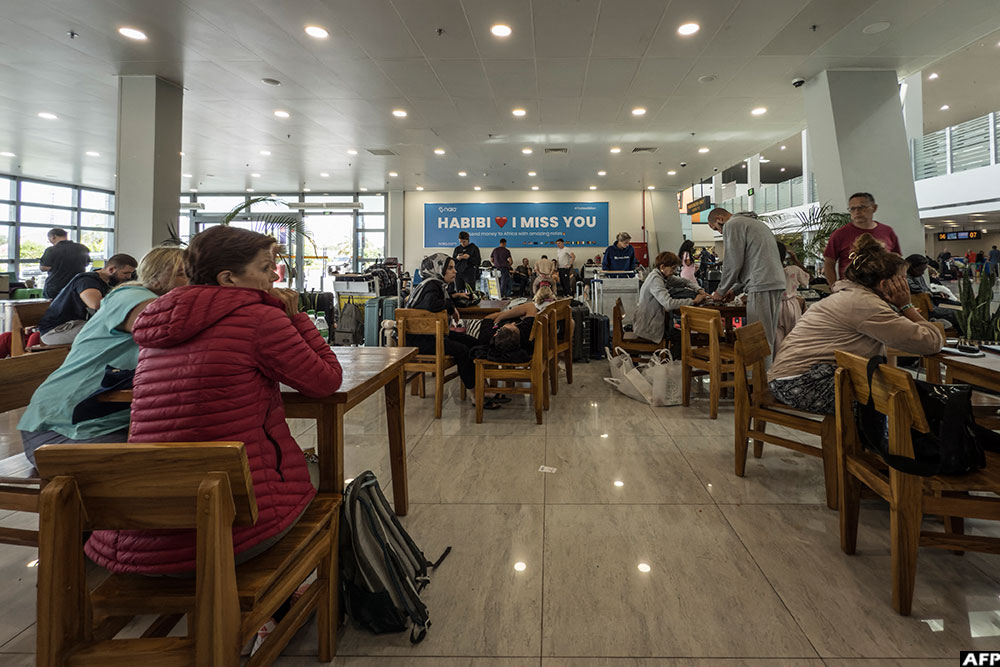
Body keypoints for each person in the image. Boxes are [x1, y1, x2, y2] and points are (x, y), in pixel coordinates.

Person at [84, 225, 344, 575]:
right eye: (266, 269)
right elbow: (326, 381)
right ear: (228, 278)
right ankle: (287, 601)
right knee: (328, 481)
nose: (275, 277)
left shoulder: (158, 322)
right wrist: (296, 317)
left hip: (137, 534)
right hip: (228, 529)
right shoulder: (260, 317)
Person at [18, 247, 187, 465]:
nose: (194, 281)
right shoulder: (131, 296)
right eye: (183, 274)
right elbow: (165, 328)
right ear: (155, 277)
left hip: (109, 423)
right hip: (62, 428)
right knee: (172, 472)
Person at [768, 234, 943, 414]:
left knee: (894, 391)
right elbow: (931, 342)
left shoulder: (852, 295)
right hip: (800, 383)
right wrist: (907, 306)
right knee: (901, 402)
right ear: (885, 284)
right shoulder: (866, 304)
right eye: (902, 279)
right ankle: (881, 441)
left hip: (790, 378)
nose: (905, 285)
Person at [405, 253, 496, 408]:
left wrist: (453, 299)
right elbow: (431, 304)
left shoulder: (431, 283)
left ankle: (482, 385)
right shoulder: (433, 285)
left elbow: (436, 300)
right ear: (439, 269)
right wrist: (450, 306)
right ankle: (475, 392)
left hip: (427, 336)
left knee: (471, 341)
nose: (455, 272)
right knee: (463, 350)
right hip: (422, 341)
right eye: (450, 268)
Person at [707, 208, 786, 354]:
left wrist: (720, 291)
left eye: (716, 228)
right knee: (767, 335)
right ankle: (767, 374)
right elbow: (751, 262)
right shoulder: (753, 223)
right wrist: (734, 290)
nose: (719, 232)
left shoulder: (733, 224)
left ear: (719, 219)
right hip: (774, 282)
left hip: (761, 284)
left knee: (758, 338)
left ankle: (758, 376)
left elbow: (733, 263)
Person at [37, 253, 138, 345]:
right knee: (113, 333)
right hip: (56, 330)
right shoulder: (87, 280)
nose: (129, 277)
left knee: (123, 331)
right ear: (111, 270)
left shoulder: (106, 283)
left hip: (77, 325)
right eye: (125, 273)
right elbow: (95, 304)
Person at [822, 193, 901, 286]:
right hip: (852, 289)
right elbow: (829, 264)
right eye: (852, 209)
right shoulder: (840, 234)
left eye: (862, 207)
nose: (857, 212)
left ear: (874, 208)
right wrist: (834, 287)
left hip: (883, 288)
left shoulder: (887, 231)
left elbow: (897, 260)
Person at [633, 251, 707, 345]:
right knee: (685, 339)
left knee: (684, 336)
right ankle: (670, 357)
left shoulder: (662, 276)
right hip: (648, 327)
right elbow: (669, 304)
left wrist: (699, 289)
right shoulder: (656, 280)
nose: (675, 271)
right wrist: (693, 301)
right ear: (662, 267)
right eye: (673, 268)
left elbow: (685, 282)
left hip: (651, 322)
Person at [906, 253, 961, 331]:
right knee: (958, 315)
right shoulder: (906, 278)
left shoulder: (918, 276)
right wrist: (931, 293)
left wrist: (936, 293)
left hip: (933, 303)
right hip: (927, 309)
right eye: (920, 270)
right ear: (911, 268)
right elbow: (918, 291)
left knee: (960, 306)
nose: (922, 273)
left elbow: (926, 290)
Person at [775, 242, 810, 353]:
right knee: (794, 339)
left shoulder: (768, 271)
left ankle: (778, 365)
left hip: (775, 306)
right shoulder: (793, 269)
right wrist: (795, 260)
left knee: (777, 340)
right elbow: (809, 278)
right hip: (792, 305)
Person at [39, 228, 91, 299]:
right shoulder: (82, 248)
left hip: (56, 287)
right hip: (76, 286)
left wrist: (57, 266)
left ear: (53, 236)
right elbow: (86, 263)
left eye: (49, 238)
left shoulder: (51, 250)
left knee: (51, 308)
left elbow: (43, 267)